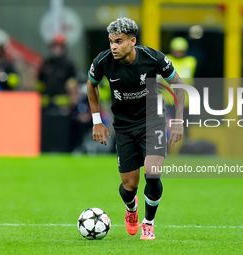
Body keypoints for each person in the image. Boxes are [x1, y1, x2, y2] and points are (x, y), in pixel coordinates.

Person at [87, 17, 184, 240]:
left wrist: (178, 121)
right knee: (129, 186)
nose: (113, 46)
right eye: (111, 41)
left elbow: (178, 86)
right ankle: (131, 208)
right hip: (124, 125)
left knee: (152, 173)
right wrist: (97, 121)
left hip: (153, 120)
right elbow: (91, 85)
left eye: (118, 41)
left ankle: (148, 223)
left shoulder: (153, 58)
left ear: (132, 41)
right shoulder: (103, 61)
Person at [38, 33, 77, 112]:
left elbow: (73, 83)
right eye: (55, 46)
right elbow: (40, 81)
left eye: (60, 46)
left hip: (62, 103)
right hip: (46, 102)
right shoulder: (47, 62)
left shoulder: (68, 63)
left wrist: (73, 99)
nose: (57, 49)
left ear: (64, 48)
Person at [166, 37, 197, 139]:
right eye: (176, 50)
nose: (178, 53)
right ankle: (168, 149)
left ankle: (186, 148)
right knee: (168, 126)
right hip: (168, 100)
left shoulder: (190, 61)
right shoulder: (167, 60)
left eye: (181, 51)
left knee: (185, 126)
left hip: (185, 101)